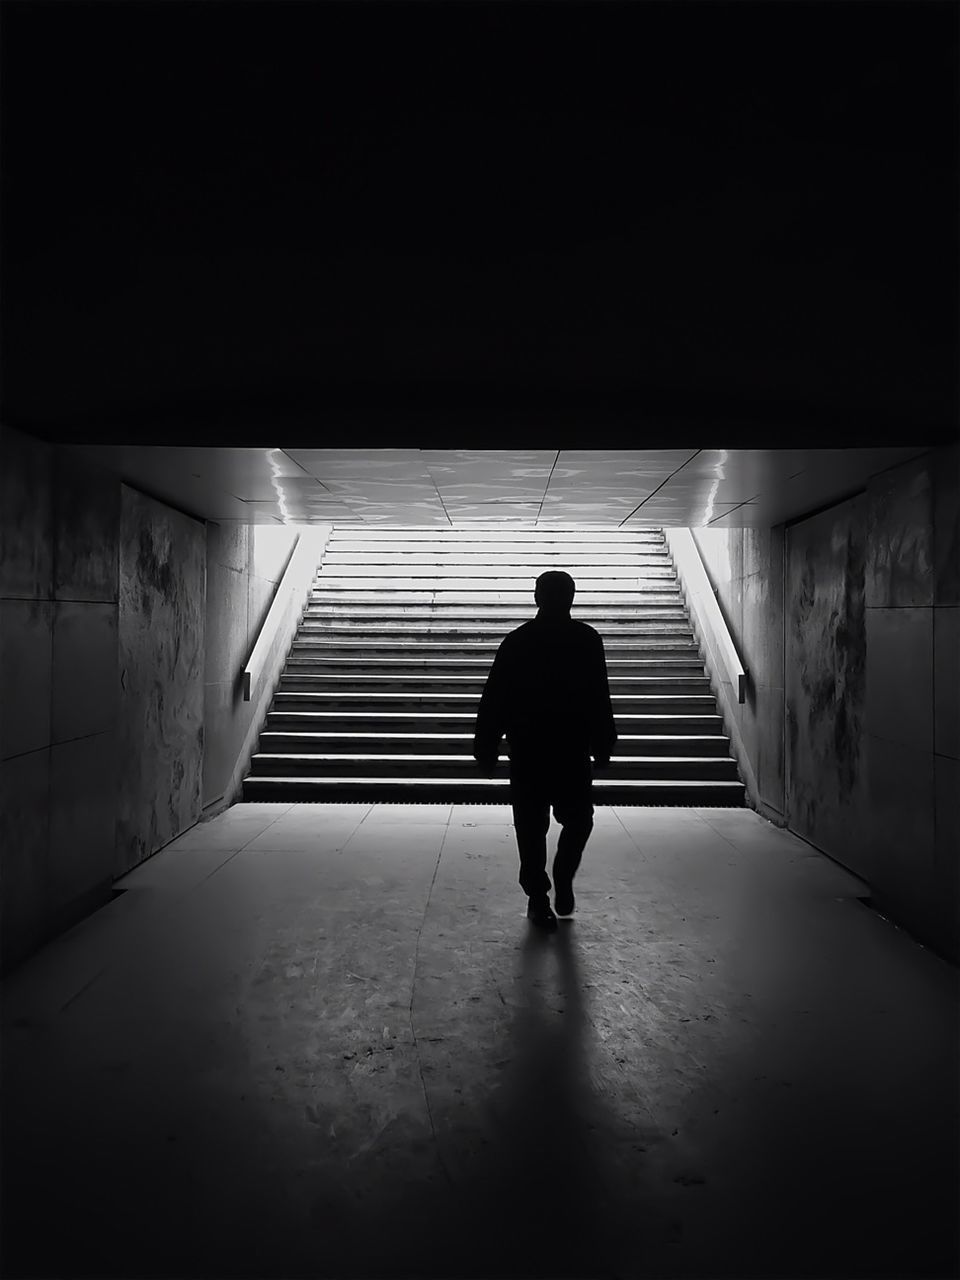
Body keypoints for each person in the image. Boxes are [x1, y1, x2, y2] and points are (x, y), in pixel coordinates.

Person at [473, 569, 617, 930]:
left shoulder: (518, 641)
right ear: (571, 598)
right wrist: (603, 741)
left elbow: (495, 699)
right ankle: (561, 875)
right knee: (579, 820)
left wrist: (486, 745)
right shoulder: (587, 640)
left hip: (529, 751)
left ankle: (538, 896)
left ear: (537, 597)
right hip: (570, 750)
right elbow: (599, 696)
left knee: (531, 827)